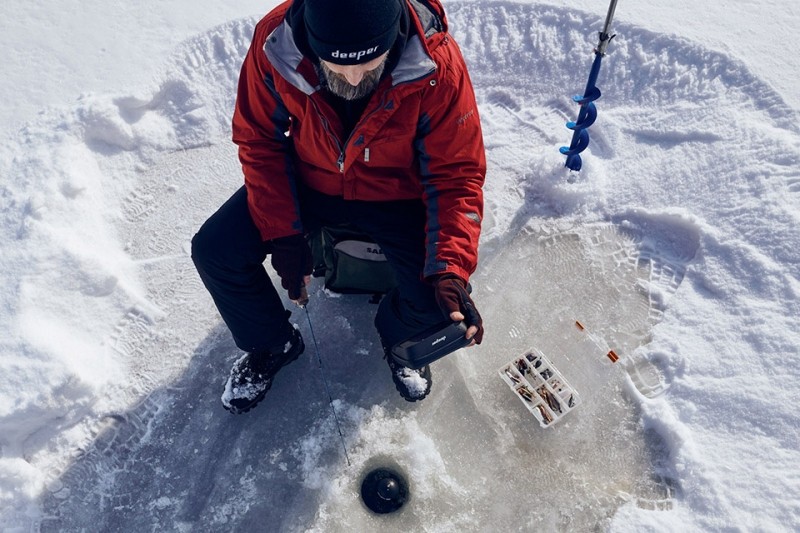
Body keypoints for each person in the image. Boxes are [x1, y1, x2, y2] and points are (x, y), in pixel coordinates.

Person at [191, 0, 486, 414]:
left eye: (369, 65)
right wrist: (284, 233)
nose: (351, 78)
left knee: (439, 306)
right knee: (215, 250)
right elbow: (259, 140)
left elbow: (456, 174)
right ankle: (272, 343)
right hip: (311, 181)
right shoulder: (276, 43)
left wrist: (450, 269)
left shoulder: (436, 64)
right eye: (336, 64)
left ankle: (398, 343)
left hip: (395, 193)